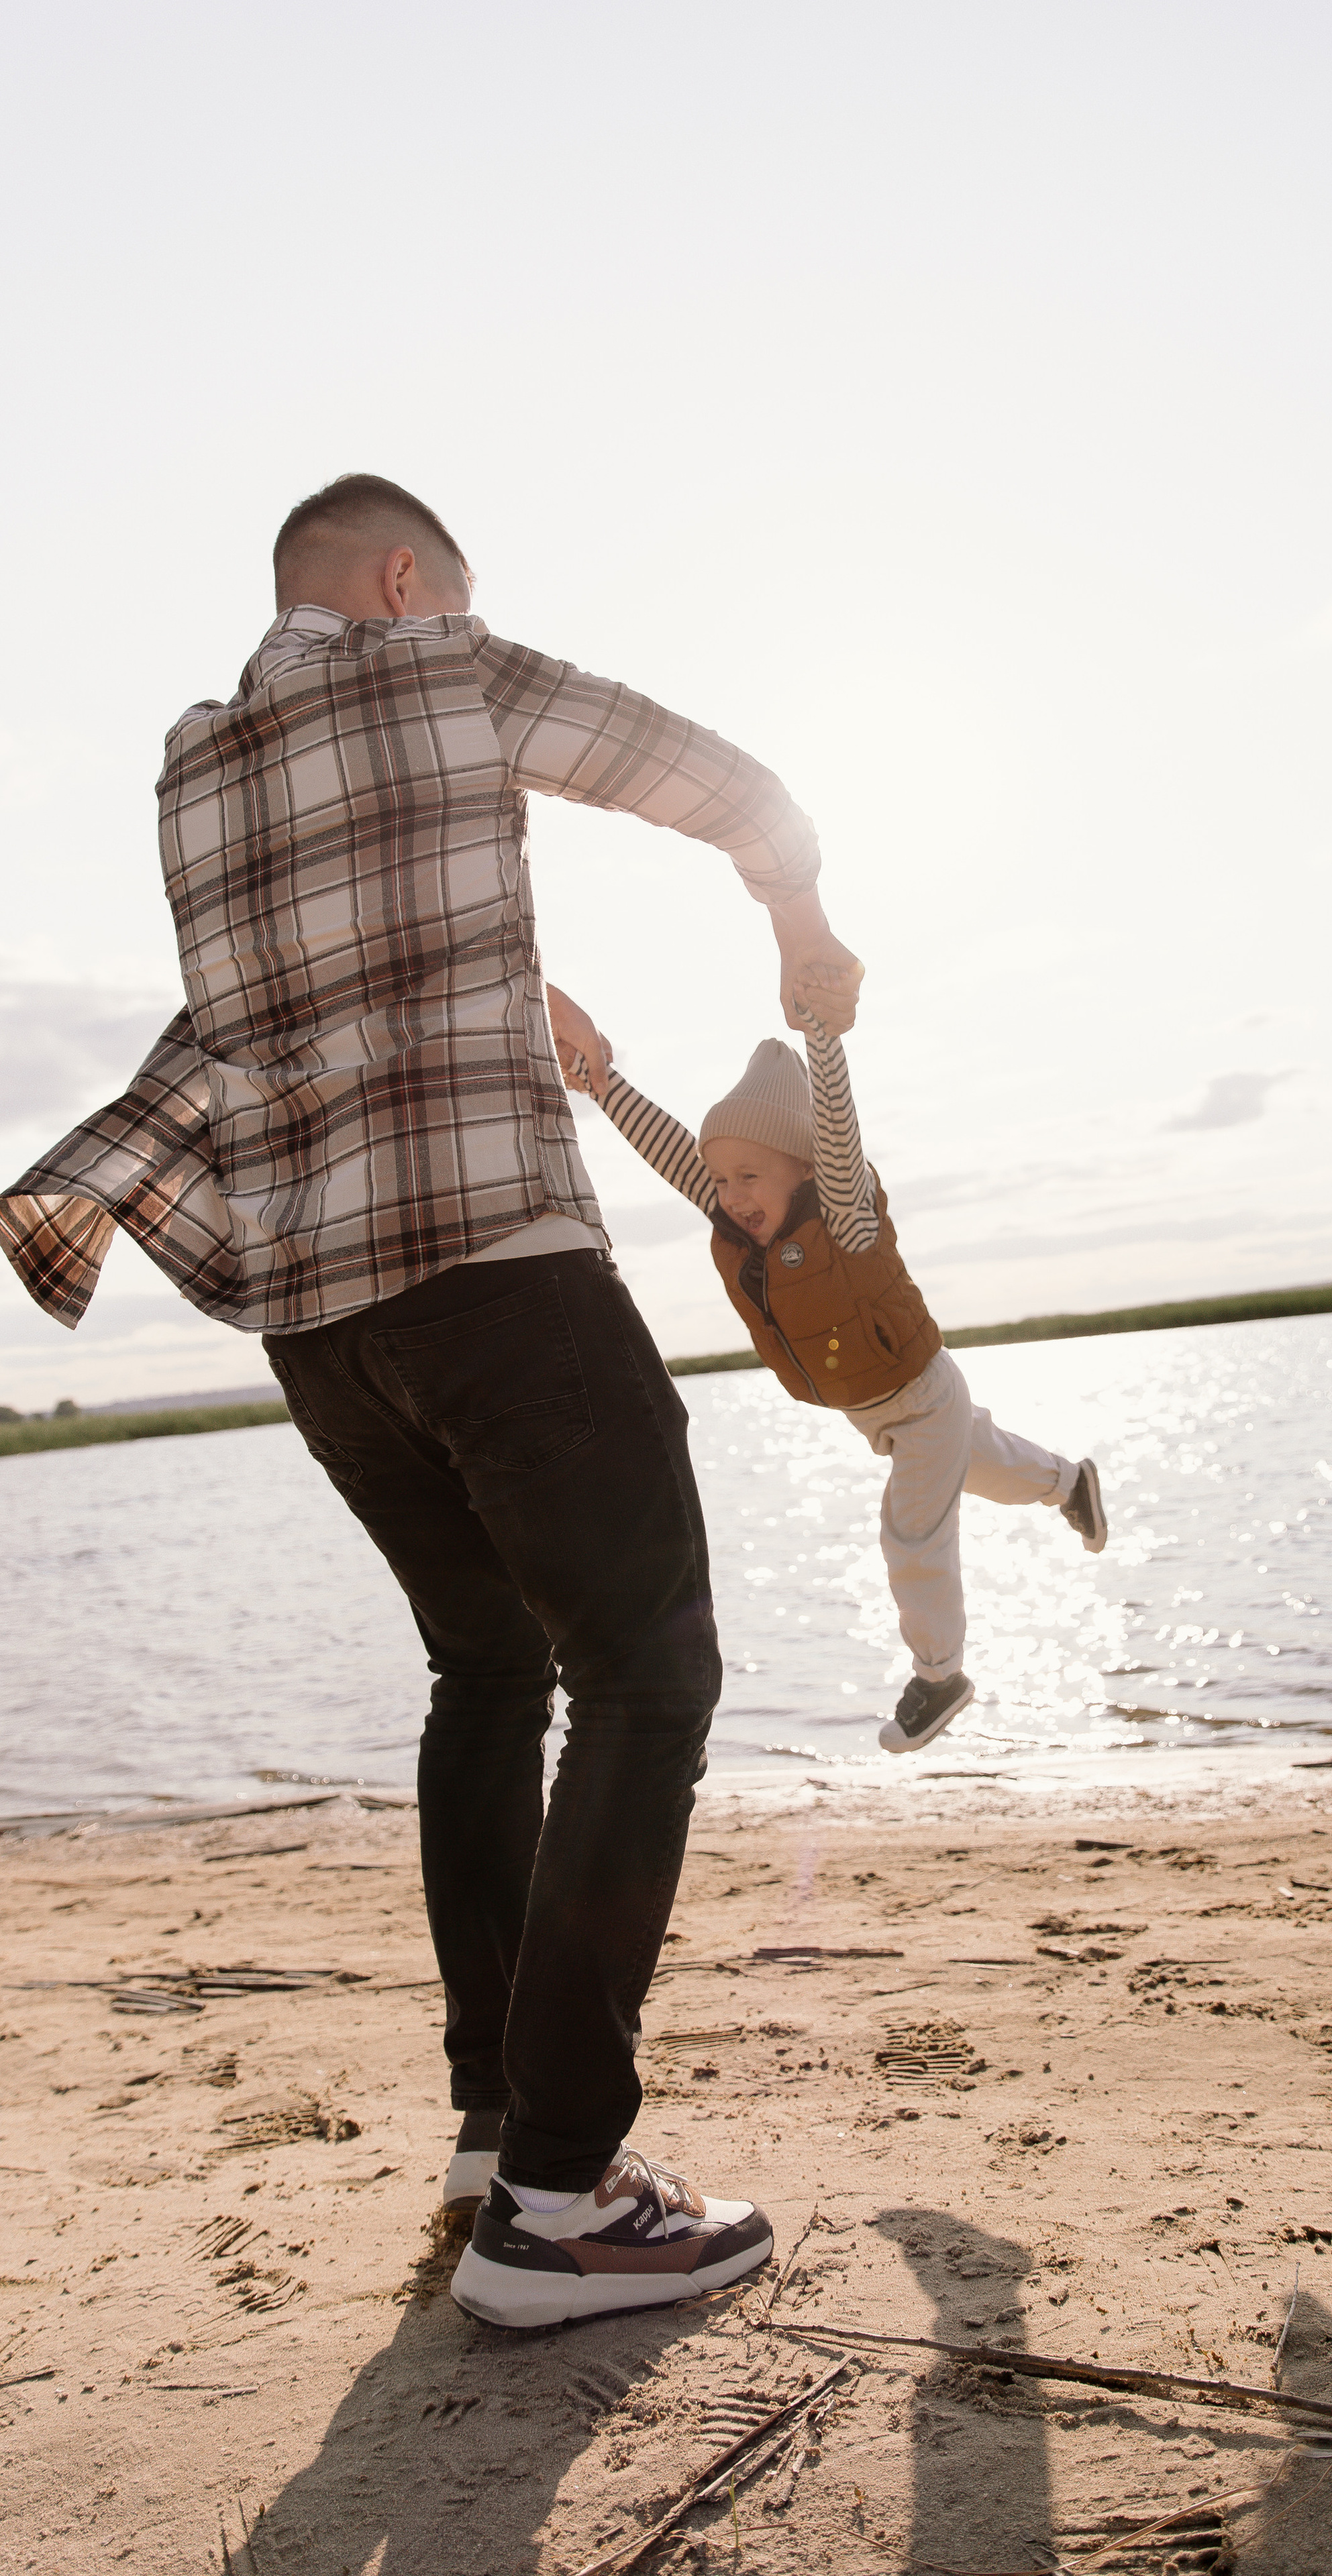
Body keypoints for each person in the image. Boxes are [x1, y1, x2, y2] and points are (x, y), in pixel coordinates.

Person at [0, 473, 864, 2332]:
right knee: (648, 1677)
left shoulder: (193, 759)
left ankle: (494, 2133)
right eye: (449, 594)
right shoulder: (443, 670)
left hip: (327, 1332)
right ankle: (556, 2198)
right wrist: (799, 912)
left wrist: (507, 980)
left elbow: (308, 975)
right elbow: (709, 777)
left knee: (488, 1672)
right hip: (496, 1281)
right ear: (407, 581)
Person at [546, 990, 1106, 1754]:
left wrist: (821, 1036)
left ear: (804, 1169)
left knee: (912, 1535)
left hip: (921, 1398)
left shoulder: (845, 1216)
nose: (732, 1195)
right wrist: (604, 1085)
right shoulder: (737, 1218)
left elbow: (838, 1133)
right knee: (990, 1466)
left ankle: (940, 1675)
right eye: (721, 1179)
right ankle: (1070, 1485)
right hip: (874, 1410)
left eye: (750, 1176)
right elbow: (671, 1147)